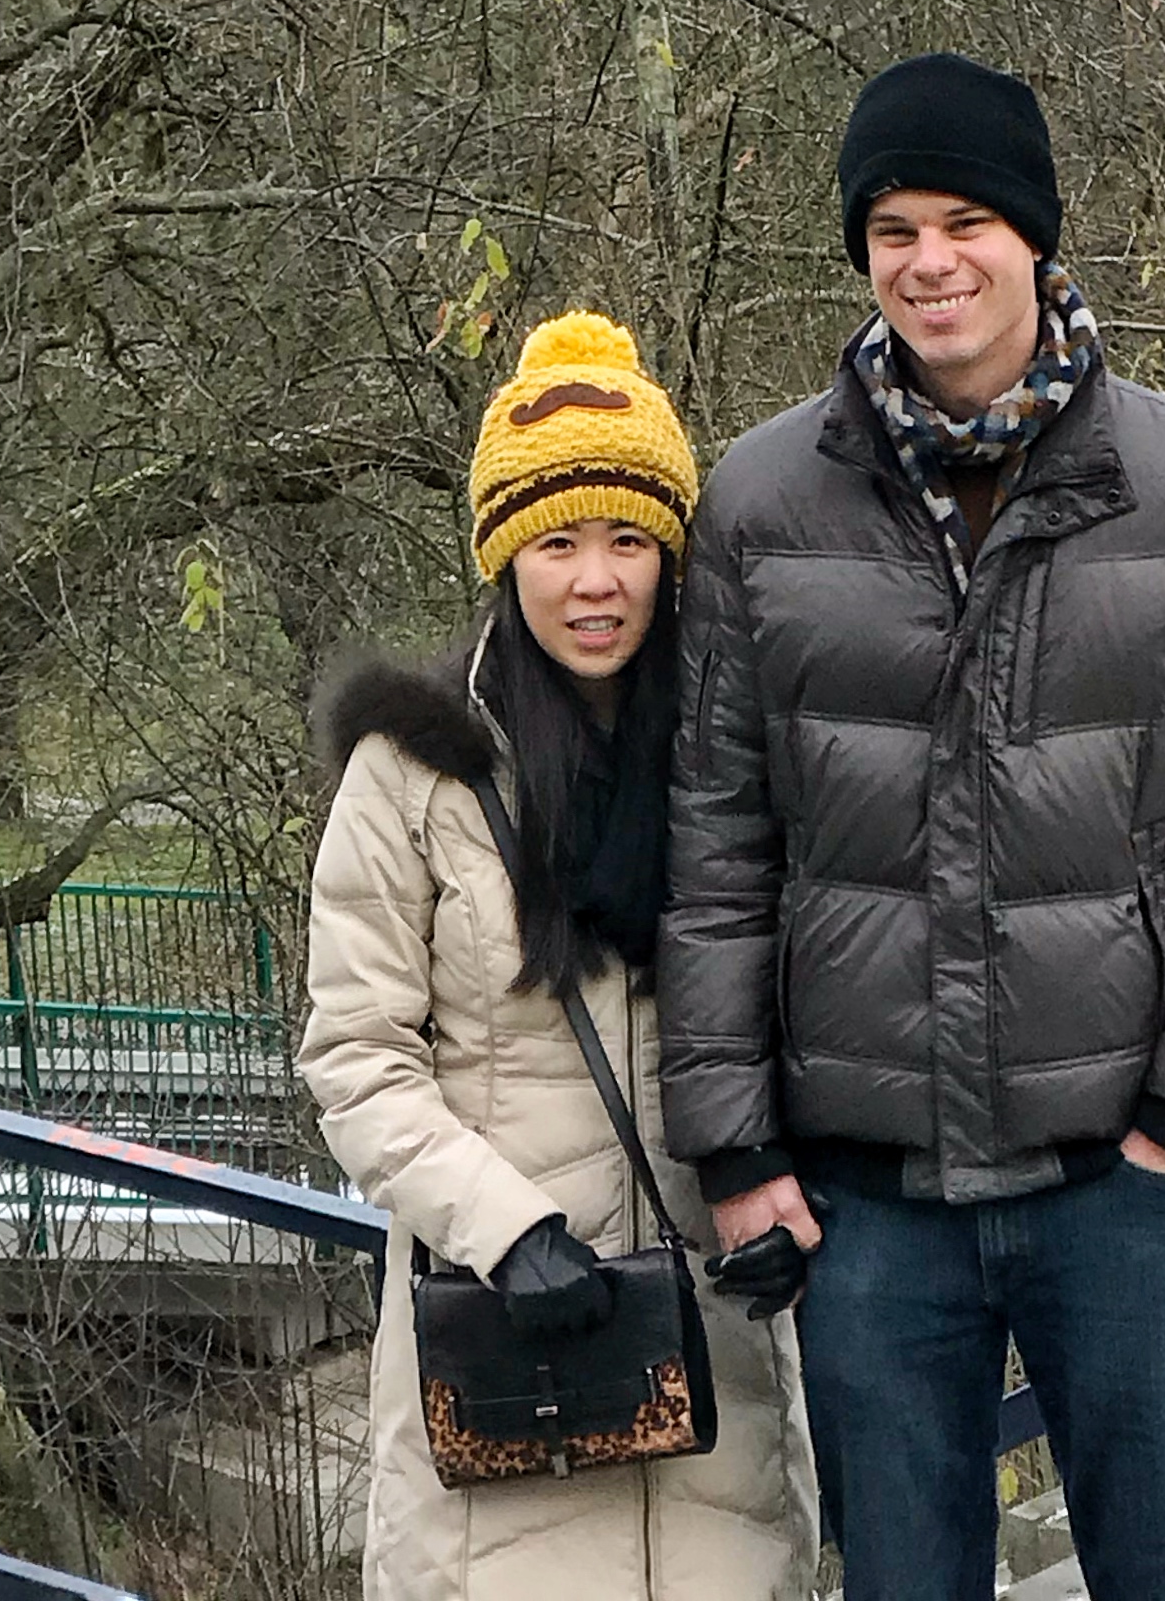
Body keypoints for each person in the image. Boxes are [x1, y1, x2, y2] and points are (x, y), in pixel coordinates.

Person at [660, 52, 1165, 1601]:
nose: (931, 262)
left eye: (966, 220)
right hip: (868, 1204)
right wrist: (737, 1147)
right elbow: (716, 845)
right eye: (894, 228)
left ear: (1036, 236)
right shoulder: (762, 508)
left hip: (1125, 1183)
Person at [301, 309, 818, 1601]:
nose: (597, 580)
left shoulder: (733, 756)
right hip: (509, 1361)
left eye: (631, 539)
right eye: (560, 540)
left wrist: (791, 1188)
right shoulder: (412, 777)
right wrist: (503, 1227)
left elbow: (806, 998)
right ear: (505, 552)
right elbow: (357, 1059)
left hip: (714, 1378)